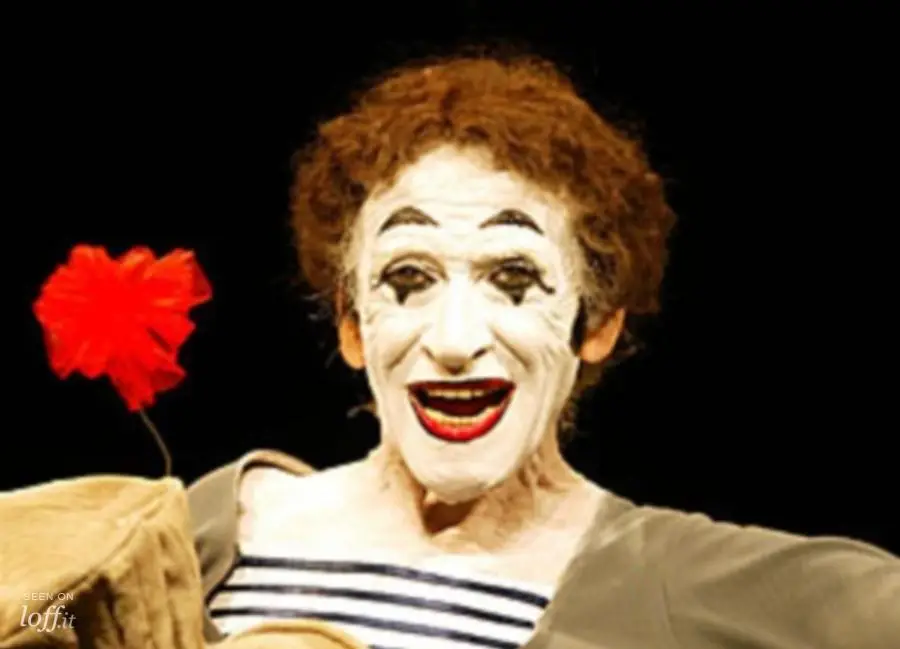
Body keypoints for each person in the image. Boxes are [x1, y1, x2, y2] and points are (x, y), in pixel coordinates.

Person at [187, 54, 899, 649]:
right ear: (352, 325)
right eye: (408, 280)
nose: (455, 341)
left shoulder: (660, 578)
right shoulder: (212, 533)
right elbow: (102, 606)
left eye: (514, 280)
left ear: (597, 325)